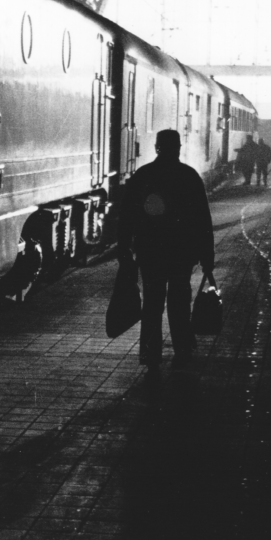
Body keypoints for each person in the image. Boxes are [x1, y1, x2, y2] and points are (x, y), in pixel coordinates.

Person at [117, 129, 215, 377]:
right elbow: (203, 219)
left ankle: (151, 355)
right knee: (180, 302)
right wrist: (207, 256)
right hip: (182, 252)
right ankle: (182, 351)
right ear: (179, 148)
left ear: (156, 147)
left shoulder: (144, 175)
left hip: (151, 252)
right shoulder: (189, 176)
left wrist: (124, 247)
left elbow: (127, 215)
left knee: (152, 303)